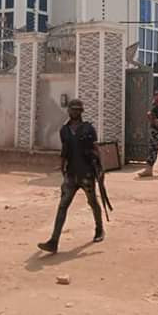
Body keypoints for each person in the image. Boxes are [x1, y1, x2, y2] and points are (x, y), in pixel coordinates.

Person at [39, 99, 104, 253]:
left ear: (81, 111)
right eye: (72, 109)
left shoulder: (88, 128)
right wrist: (61, 166)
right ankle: (54, 241)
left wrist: (101, 170)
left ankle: (99, 229)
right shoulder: (64, 130)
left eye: (77, 109)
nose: (75, 112)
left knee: (93, 202)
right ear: (68, 111)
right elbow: (64, 150)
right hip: (71, 174)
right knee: (62, 206)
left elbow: (96, 149)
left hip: (86, 173)